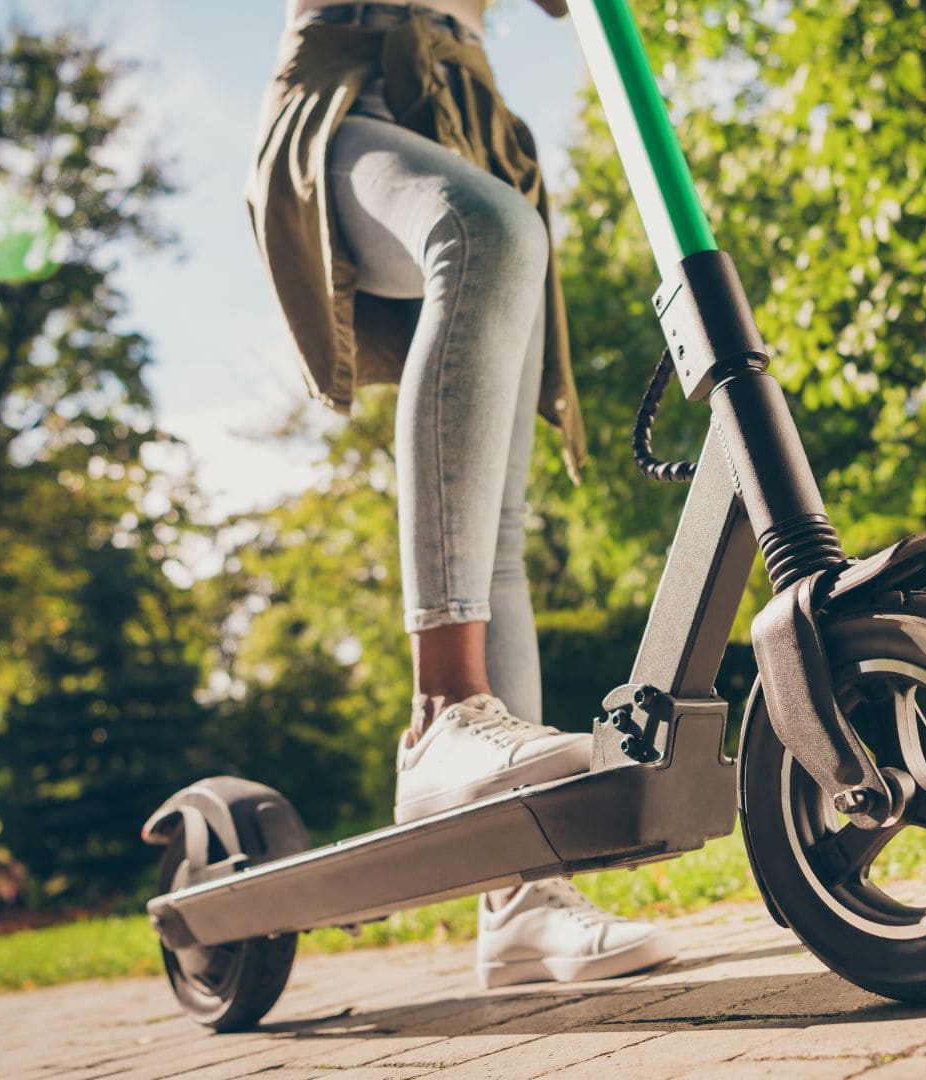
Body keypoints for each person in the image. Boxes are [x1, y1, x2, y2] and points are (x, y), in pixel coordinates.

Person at [247, 0, 675, 988]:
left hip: (469, 102)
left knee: (498, 531)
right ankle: (443, 709)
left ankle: (521, 901)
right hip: (351, 87)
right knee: (486, 231)